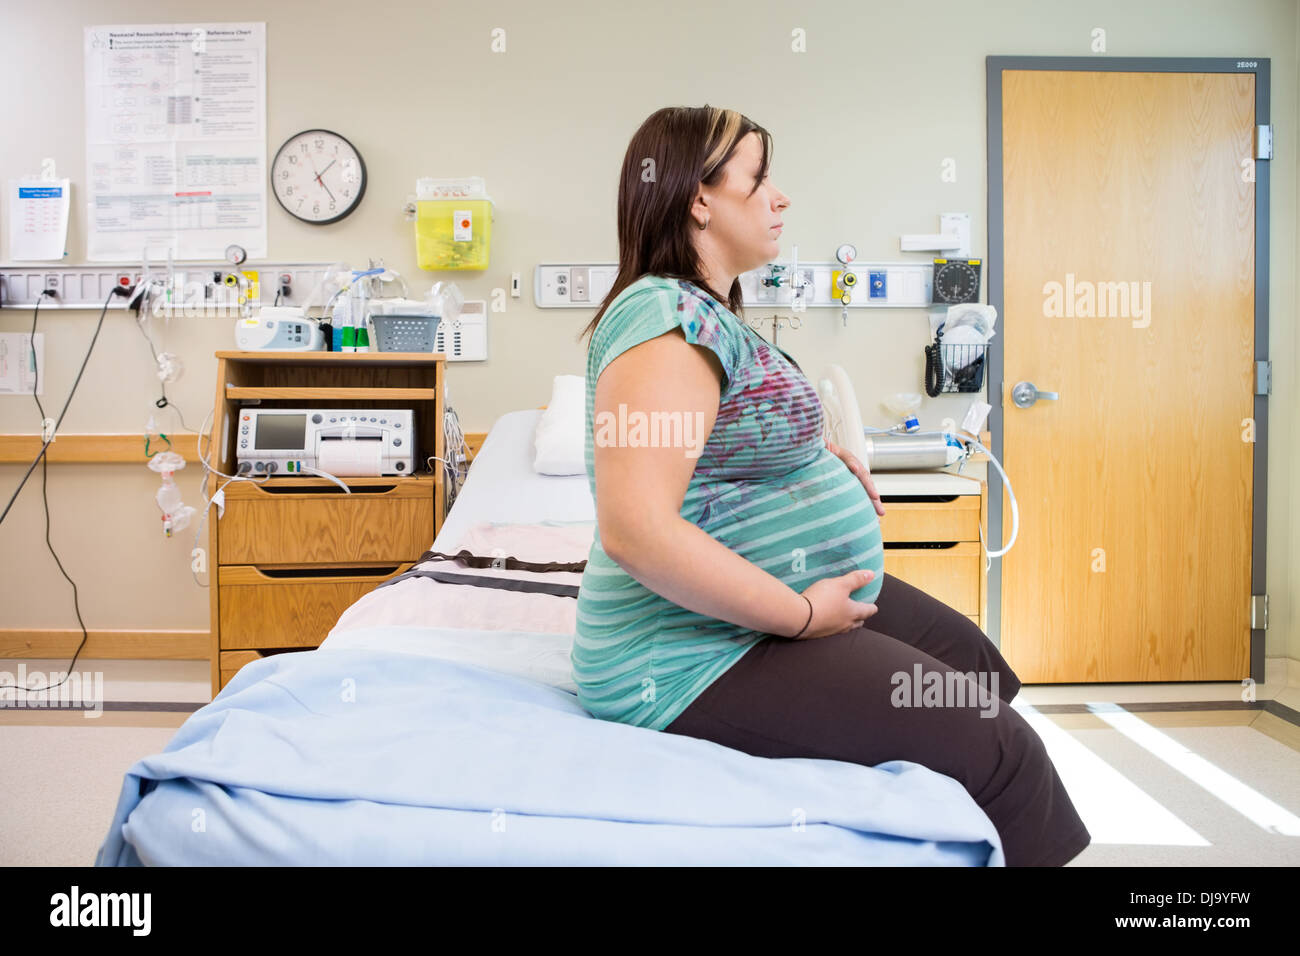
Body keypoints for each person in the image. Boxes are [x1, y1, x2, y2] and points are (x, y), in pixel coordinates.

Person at [571, 105, 1090, 867]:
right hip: (685, 652)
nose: (780, 197)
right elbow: (636, 529)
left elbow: (722, 442)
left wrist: (809, 457)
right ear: (699, 199)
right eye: (759, 179)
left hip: (752, 610)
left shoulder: (708, 312)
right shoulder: (666, 316)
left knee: (976, 666)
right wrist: (800, 614)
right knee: (1005, 751)